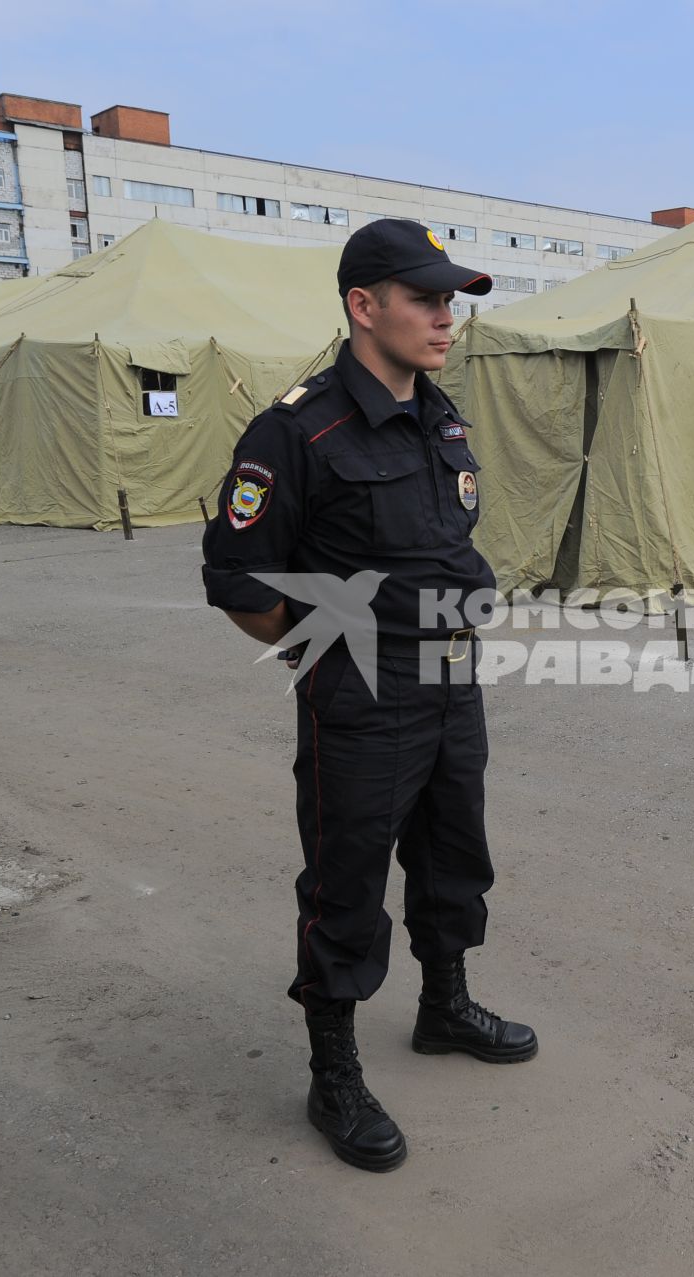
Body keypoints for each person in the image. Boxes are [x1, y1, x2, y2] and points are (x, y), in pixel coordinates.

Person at [201, 219, 536, 1173]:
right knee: (346, 880)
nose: (447, 317)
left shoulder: (441, 415)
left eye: (452, 300)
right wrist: (329, 658)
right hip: (362, 687)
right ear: (364, 306)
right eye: (426, 299)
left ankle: (443, 1004)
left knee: (453, 850)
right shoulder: (296, 428)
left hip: (449, 675)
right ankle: (333, 1070)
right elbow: (241, 577)